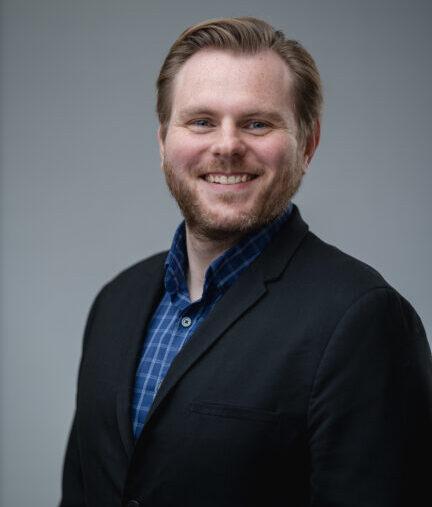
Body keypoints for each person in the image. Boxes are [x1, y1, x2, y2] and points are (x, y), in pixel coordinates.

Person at [60, 17, 432, 507]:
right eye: (201, 121)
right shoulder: (115, 303)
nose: (227, 145)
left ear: (308, 144)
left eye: (257, 123)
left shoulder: (364, 320)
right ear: (163, 142)